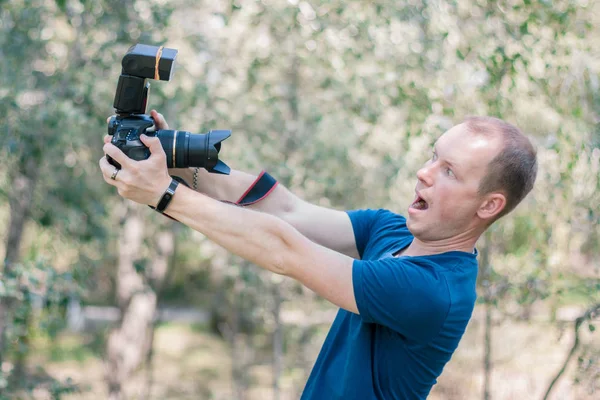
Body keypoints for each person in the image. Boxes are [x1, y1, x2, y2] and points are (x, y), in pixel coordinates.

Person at [99, 110, 537, 399]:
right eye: (433, 157)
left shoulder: (435, 292)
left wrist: (164, 193)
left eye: (449, 171)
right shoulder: (391, 232)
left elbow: (284, 250)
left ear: (489, 205)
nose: (423, 173)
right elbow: (285, 210)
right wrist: (172, 155)